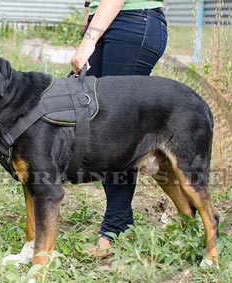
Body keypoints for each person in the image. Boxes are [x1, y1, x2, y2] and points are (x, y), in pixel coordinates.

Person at [70, 0, 168, 256]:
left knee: (115, 132)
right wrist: (89, 21)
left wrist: (88, 39)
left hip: (132, 22)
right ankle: (121, 223)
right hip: (106, 22)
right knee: (99, 128)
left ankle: (113, 230)